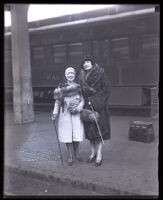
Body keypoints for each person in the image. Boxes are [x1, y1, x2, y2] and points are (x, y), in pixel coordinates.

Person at [78, 56, 111, 167]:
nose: (86, 64)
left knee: (99, 131)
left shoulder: (100, 73)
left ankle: (99, 154)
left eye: (88, 62)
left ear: (92, 63)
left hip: (99, 106)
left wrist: (94, 100)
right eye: (84, 63)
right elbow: (80, 92)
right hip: (87, 106)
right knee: (90, 132)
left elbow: (106, 89)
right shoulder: (81, 76)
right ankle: (92, 153)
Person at [52, 67, 85, 166]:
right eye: (68, 73)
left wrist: (78, 108)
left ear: (74, 75)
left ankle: (76, 153)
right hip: (65, 113)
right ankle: (70, 156)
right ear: (65, 75)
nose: (70, 75)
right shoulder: (61, 87)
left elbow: (82, 100)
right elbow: (57, 102)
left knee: (77, 134)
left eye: (72, 73)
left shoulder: (78, 87)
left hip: (76, 114)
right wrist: (55, 113)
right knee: (67, 135)